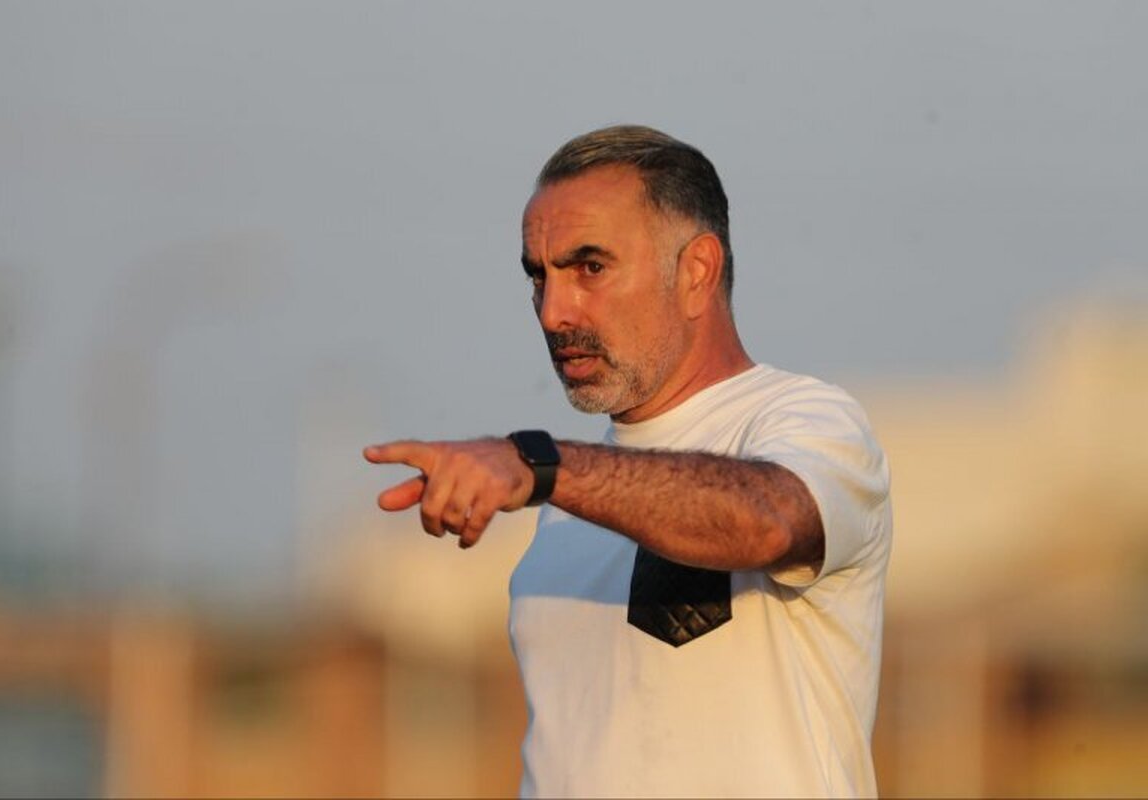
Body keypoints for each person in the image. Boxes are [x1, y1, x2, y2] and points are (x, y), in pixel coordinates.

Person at [365, 125, 892, 798]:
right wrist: (550, 477)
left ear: (696, 271)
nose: (553, 313)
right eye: (539, 276)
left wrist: (540, 467)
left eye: (590, 268)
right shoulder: (564, 512)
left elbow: (768, 520)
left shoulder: (808, 422)